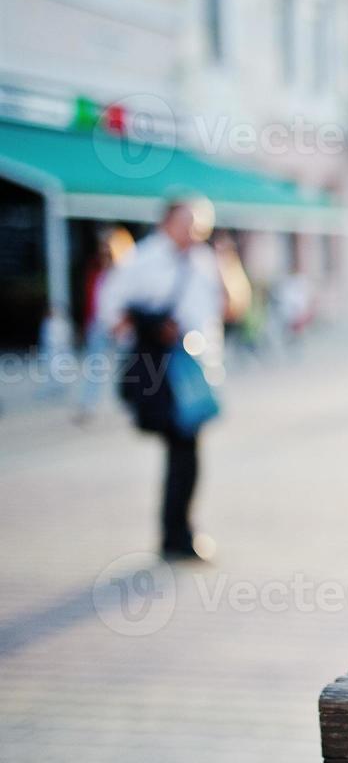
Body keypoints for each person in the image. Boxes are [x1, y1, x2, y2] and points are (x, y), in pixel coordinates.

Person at [98, 198, 226, 561]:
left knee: (185, 450)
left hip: (194, 366)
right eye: (188, 222)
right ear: (168, 222)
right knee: (183, 448)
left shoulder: (202, 260)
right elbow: (111, 307)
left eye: (199, 223)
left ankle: (177, 532)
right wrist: (150, 329)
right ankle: (176, 534)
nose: (194, 230)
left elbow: (224, 308)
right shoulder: (145, 259)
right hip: (162, 369)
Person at [75, 227, 135, 424]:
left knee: (128, 368)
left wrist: (125, 322)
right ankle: (89, 405)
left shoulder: (128, 271)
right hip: (100, 325)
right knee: (95, 367)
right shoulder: (98, 271)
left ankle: (130, 402)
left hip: (122, 327)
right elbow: (93, 300)